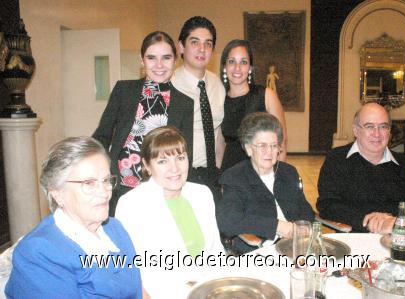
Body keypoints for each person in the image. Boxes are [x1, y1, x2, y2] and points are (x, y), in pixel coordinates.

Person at [5, 137, 144, 298]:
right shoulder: (38, 252)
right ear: (57, 192)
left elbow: (138, 291)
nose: (105, 192)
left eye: (106, 180)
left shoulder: (115, 229)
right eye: (89, 183)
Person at [115, 126, 224, 298]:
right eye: (162, 161)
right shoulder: (131, 204)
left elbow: (216, 251)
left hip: (208, 288)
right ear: (147, 165)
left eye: (180, 158)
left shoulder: (202, 194)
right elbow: (129, 267)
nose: (175, 169)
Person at [93, 31, 193, 216]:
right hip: (120, 188)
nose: (159, 65)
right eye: (152, 58)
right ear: (142, 60)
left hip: (161, 189)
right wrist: (98, 174)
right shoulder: (124, 90)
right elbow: (102, 136)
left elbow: (185, 152)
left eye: (166, 57)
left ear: (175, 60)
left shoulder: (185, 103)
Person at [316, 102, 405, 233]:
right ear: (356, 130)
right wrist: (367, 221)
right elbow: (327, 205)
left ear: (389, 131)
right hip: (353, 239)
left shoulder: (402, 164)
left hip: (394, 240)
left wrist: (394, 222)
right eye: (369, 126)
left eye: (383, 126)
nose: (377, 134)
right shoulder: (336, 159)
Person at [217, 112, 315, 254]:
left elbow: (304, 209)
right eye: (262, 146)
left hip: (297, 247)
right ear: (249, 148)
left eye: (274, 145)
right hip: (261, 251)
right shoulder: (235, 177)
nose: (269, 152)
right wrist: (277, 226)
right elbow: (228, 221)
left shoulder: (289, 172)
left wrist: (304, 226)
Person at [171, 16, 226, 202]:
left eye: (208, 44)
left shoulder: (217, 84)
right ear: (181, 47)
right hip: (181, 176)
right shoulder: (170, 85)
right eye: (195, 42)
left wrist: (219, 171)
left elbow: (218, 132)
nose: (202, 49)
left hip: (213, 175)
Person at [220, 39, 287, 170]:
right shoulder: (219, 99)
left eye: (243, 62)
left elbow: (282, 142)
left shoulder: (266, 95)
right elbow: (220, 145)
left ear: (250, 68)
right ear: (224, 66)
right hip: (230, 174)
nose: (237, 68)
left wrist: (276, 179)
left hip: (262, 173)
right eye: (232, 61)